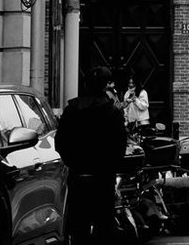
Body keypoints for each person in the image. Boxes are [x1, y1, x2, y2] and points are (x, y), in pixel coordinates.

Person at [55, 65, 127, 245]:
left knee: (79, 226)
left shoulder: (72, 110)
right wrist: (111, 166)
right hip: (104, 177)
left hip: (78, 175)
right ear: (105, 86)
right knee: (105, 225)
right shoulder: (112, 112)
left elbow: (61, 142)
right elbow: (120, 145)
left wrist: (73, 161)